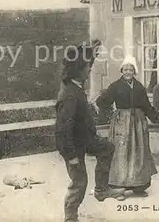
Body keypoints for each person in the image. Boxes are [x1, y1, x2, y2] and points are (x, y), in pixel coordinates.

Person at [55, 43, 124, 222]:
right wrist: (71, 156)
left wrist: (92, 51)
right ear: (78, 70)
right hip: (71, 145)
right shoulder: (70, 94)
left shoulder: (76, 86)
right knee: (79, 182)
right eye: (88, 67)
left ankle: (101, 190)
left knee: (107, 147)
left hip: (85, 138)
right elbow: (63, 129)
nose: (90, 70)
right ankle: (70, 217)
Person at [96, 55, 159, 200]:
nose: (128, 72)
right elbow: (102, 102)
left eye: (131, 69)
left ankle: (139, 186)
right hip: (122, 122)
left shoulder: (139, 86)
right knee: (121, 153)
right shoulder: (115, 86)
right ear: (121, 70)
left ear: (134, 71)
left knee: (139, 153)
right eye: (125, 69)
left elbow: (146, 106)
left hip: (138, 123)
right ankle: (118, 189)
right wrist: (111, 114)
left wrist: (156, 116)